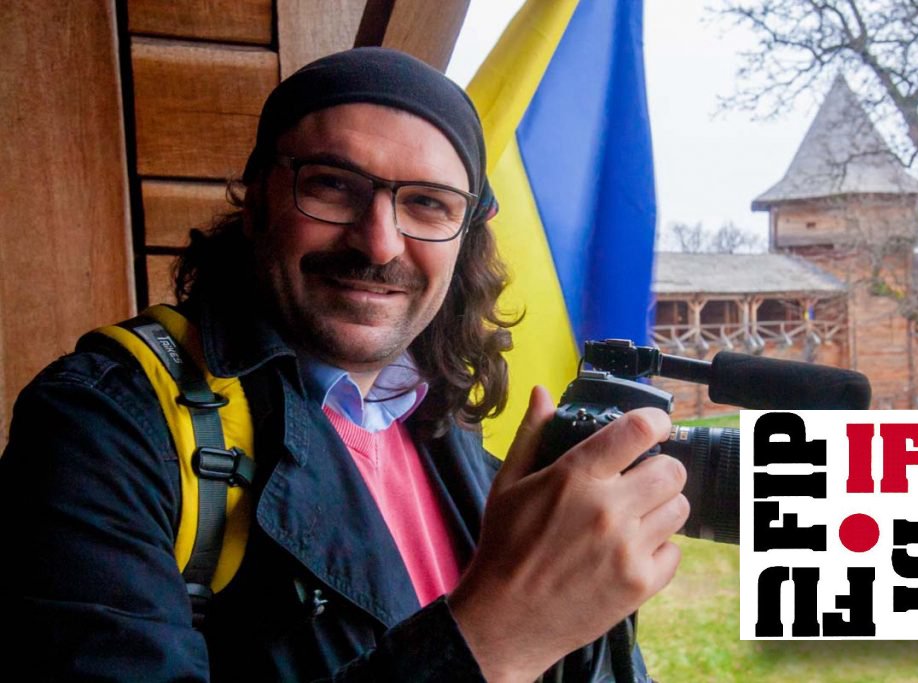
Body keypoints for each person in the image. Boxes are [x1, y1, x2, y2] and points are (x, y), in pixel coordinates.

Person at [0, 48, 688, 681]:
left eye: (427, 203)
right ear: (258, 198)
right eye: (333, 186)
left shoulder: (452, 434)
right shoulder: (103, 424)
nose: (379, 242)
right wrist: (497, 632)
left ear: (465, 237)